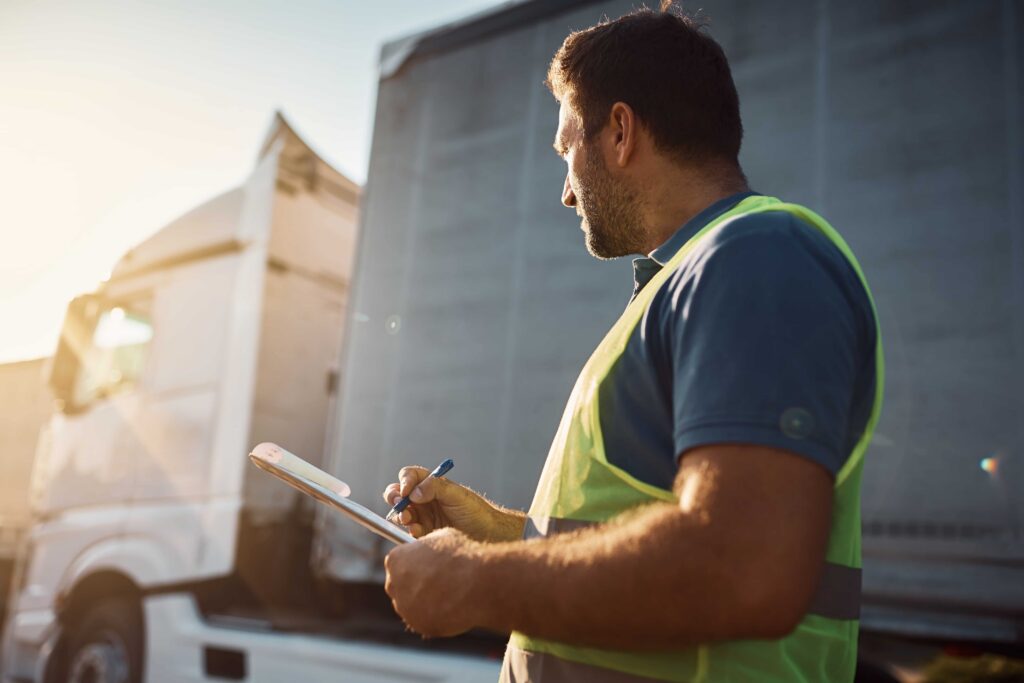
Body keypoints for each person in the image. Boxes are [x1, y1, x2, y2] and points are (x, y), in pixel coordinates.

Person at [382, 6, 882, 683]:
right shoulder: (691, 278)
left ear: (619, 132)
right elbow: (637, 535)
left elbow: (741, 564)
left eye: (567, 151)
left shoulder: (756, 257)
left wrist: (473, 579)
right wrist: (494, 533)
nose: (565, 191)